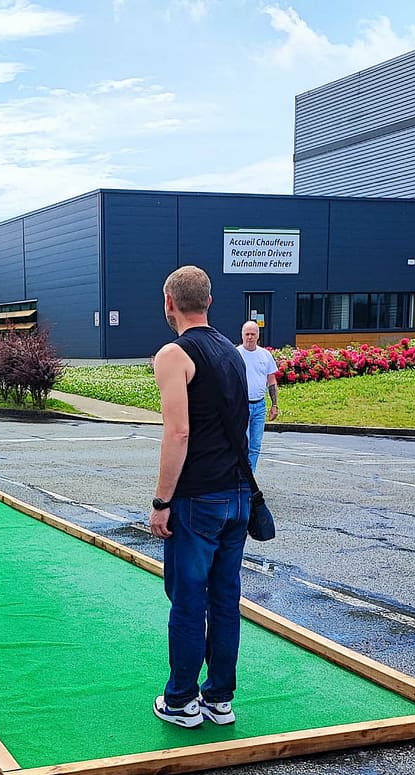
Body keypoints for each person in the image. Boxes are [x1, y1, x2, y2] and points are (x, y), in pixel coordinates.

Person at [148, 266, 251, 728]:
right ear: (209, 301)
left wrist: (161, 502)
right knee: (225, 601)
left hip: (197, 500)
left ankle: (181, 701)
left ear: (169, 302)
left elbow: (179, 432)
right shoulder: (232, 351)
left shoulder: (174, 354)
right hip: (237, 494)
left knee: (189, 601)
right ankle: (219, 700)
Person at [236, 321, 279, 470]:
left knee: (255, 446)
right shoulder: (236, 354)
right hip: (242, 405)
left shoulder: (265, 355)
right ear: (242, 335)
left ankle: (250, 477)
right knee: (243, 443)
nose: (250, 337)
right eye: (247, 334)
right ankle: (241, 475)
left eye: (253, 334)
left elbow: (271, 381)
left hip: (259, 406)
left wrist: (274, 405)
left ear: (258, 336)